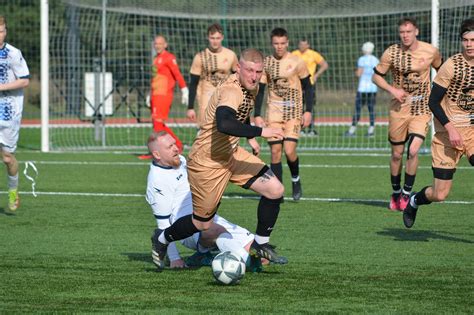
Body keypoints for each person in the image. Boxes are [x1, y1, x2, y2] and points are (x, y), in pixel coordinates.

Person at [150, 48, 288, 270]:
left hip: (231, 153)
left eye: (259, 71)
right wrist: (260, 132)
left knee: (275, 190)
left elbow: (242, 111)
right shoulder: (230, 91)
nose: (254, 76)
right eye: (250, 70)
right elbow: (225, 124)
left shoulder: (252, 86)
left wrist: (250, 136)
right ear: (238, 68)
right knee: (202, 223)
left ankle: (261, 244)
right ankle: (162, 239)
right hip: (208, 162)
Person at [146, 131, 261, 271]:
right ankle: (240, 262)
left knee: (260, 255)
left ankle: (204, 254)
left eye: (175, 144)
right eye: (169, 147)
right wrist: (175, 258)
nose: (176, 148)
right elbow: (163, 224)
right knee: (215, 231)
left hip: (207, 216)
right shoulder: (157, 181)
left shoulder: (180, 160)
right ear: (157, 155)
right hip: (185, 228)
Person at [403, 18, 474, 228]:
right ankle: (414, 200)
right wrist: (451, 129)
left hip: (471, 130)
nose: (469, 44)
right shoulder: (452, 65)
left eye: (473, 40)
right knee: (440, 194)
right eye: (466, 40)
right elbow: (433, 101)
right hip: (447, 134)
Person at [372, 17, 442, 211]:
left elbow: (443, 71)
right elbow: (376, 76)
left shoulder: (430, 51)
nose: (405, 35)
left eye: (409, 32)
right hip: (398, 109)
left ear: (416, 32)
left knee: (413, 150)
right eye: (402, 32)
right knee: (397, 154)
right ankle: (395, 193)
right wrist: (392, 90)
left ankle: (406, 193)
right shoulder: (391, 52)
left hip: (421, 109)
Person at [254, 28, 314, 201]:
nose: (279, 47)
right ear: (271, 44)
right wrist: (257, 114)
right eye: (276, 43)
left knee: (289, 151)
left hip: (293, 112)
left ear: (287, 43)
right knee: (275, 152)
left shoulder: (297, 61)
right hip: (273, 113)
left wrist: (308, 111)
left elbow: (308, 87)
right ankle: (277, 191)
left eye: (282, 43)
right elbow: (261, 90)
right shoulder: (266, 63)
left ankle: (295, 179)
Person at [0, 16, 29, 212]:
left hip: (8, 109)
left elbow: (25, 81)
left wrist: (2, 87)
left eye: (1, 31)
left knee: (8, 158)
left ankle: (12, 191)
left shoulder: (13, 53)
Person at [187, 23, 238, 127]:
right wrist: (190, 107)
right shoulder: (200, 57)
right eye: (212, 38)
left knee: (225, 128)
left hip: (224, 96)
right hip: (206, 97)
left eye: (218, 38)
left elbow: (237, 78)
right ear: (208, 37)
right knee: (204, 128)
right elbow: (193, 83)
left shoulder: (231, 55)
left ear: (222, 37)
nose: (215, 41)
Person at [148, 35, 188, 154]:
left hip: (163, 94)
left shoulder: (169, 57)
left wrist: (184, 89)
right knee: (158, 124)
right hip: (155, 94)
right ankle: (175, 145)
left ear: (165, 44)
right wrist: (149, 93)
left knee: (157, 124)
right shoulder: (155, 58)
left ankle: (163, 150)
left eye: (160, 43)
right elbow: (154, 78)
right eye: (156, 43)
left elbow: (177, 74)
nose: (157, 46)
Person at [291, 39, 328, 135]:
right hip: (297, 84)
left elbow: (324, 65)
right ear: (298, 45)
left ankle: (311, 128)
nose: (302, 46)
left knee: (310, 106)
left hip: (309, 83)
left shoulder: (313, 54)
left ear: (308, 45)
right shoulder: (294, 54)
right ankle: (300, 128)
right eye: (301, 44)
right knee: (298, 106)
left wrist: (316, 75)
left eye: (304, 44)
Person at [345, 42, 379, 137]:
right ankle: (371, 130)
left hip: (363, 88)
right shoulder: (375, 60)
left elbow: (359, 73)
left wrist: (355, 72)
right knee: (371, 109)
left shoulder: (362, 59)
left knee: (358, 109)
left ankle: (352, 130)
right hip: (373, 88)